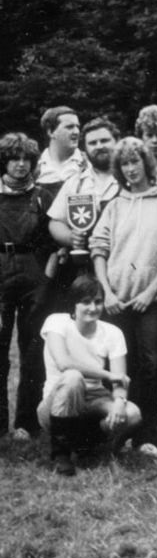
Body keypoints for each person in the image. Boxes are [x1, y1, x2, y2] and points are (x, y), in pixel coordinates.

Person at [90, 138, 157, 462]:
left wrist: (150, 292)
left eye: (135, 162)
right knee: (118, 368)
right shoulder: (114, 206)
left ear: (146, 163)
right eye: (124, 164)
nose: (130, 169)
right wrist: (108, 293)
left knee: (150, 366)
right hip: (117, 302)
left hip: (151, 302)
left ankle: (146, 437)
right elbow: (98, 249)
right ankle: (116, 435)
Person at [37, 276, 137, 475]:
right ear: (73, 304)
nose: (93, 307)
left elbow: (121, 378)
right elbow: (64, 363)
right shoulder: (56, 322)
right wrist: (107, 374)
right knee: (73, 377)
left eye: (98, 301)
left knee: (132, 414)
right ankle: (61, 455)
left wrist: (119, 401)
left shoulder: (113, 332)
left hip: (94, 398)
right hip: (59, 399)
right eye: (86, 302)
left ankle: (89, 445)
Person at [0, 133, 55, 440]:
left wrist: (46, 277)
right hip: (0, 271)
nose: (21, 165)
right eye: (14, 159)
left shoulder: (42, 197)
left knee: (32, 349)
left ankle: (26, 423)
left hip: (33, 274)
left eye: (26, 160)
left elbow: (54, 240)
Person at [47, 116, 121, 273]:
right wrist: (71, 237)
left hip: (124, 262)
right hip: (86, 267)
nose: (99, 146)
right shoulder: (76, 181)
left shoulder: (131, 177)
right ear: (85, 148)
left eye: (104, 140)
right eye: (92, 143)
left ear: (117, 142)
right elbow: (55, 222)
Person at [35, 106, 85, 194]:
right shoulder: (35, 166)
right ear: (50, 132)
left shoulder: (88, 163)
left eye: (77, 127)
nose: (76, 132)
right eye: (69, 127)